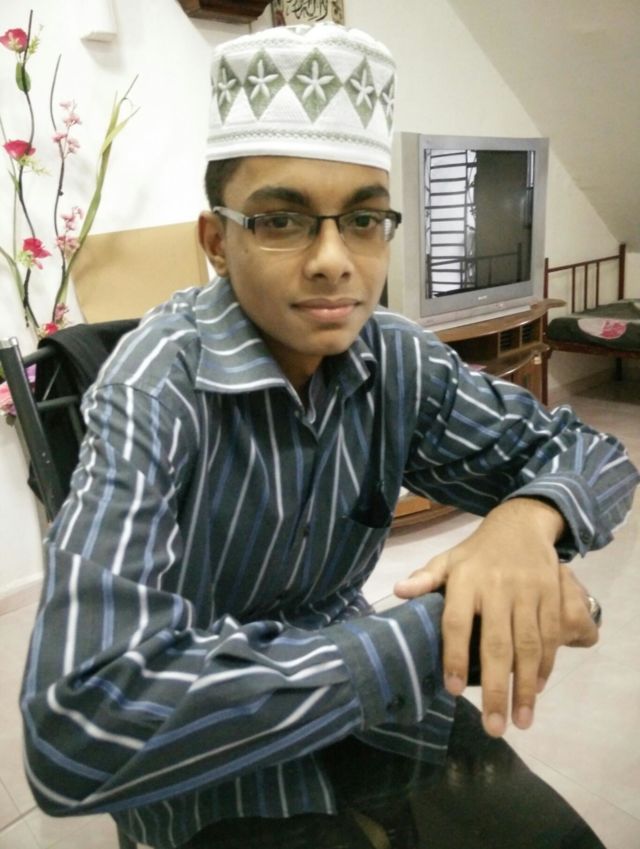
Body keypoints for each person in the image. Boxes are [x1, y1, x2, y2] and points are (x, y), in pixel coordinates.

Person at [20, 22, 638, 849]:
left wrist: (525, 523)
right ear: (217, 241)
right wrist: (432, 631)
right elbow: (75, 731)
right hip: (214, 768)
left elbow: (598, 457)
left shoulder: (396, 357)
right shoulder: (153, 389)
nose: (333, 259)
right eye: (282, 220)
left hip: (384, 726)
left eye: (365, 218)